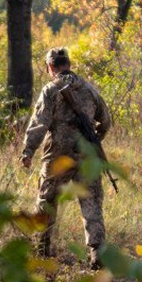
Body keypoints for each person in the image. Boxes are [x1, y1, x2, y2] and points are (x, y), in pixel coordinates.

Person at [21, 47, 112, 269]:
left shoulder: (50, 90)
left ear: (50, 67)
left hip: (56, 157)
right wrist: (95, 137)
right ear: (69, 64)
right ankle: (97, 254)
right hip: (86, 156)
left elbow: (39, 124)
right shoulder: (89, 89)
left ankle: (42, 251)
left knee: (47, 202)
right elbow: (106, 119)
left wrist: (28, 151)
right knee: (91, 203)